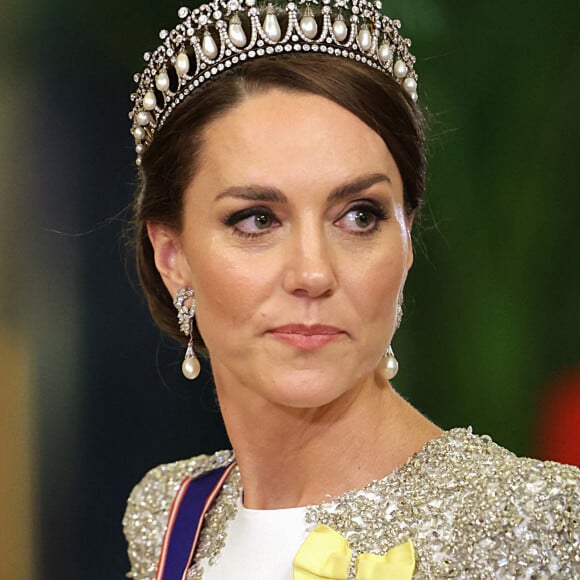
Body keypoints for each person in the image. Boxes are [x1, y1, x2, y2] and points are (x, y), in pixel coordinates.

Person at [123, 1, 580, 578]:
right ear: (173, 258)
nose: (313, 274)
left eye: (359, 216)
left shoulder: (538, 523)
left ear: (407, 242)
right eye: (257, 219)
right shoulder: (166, 516)